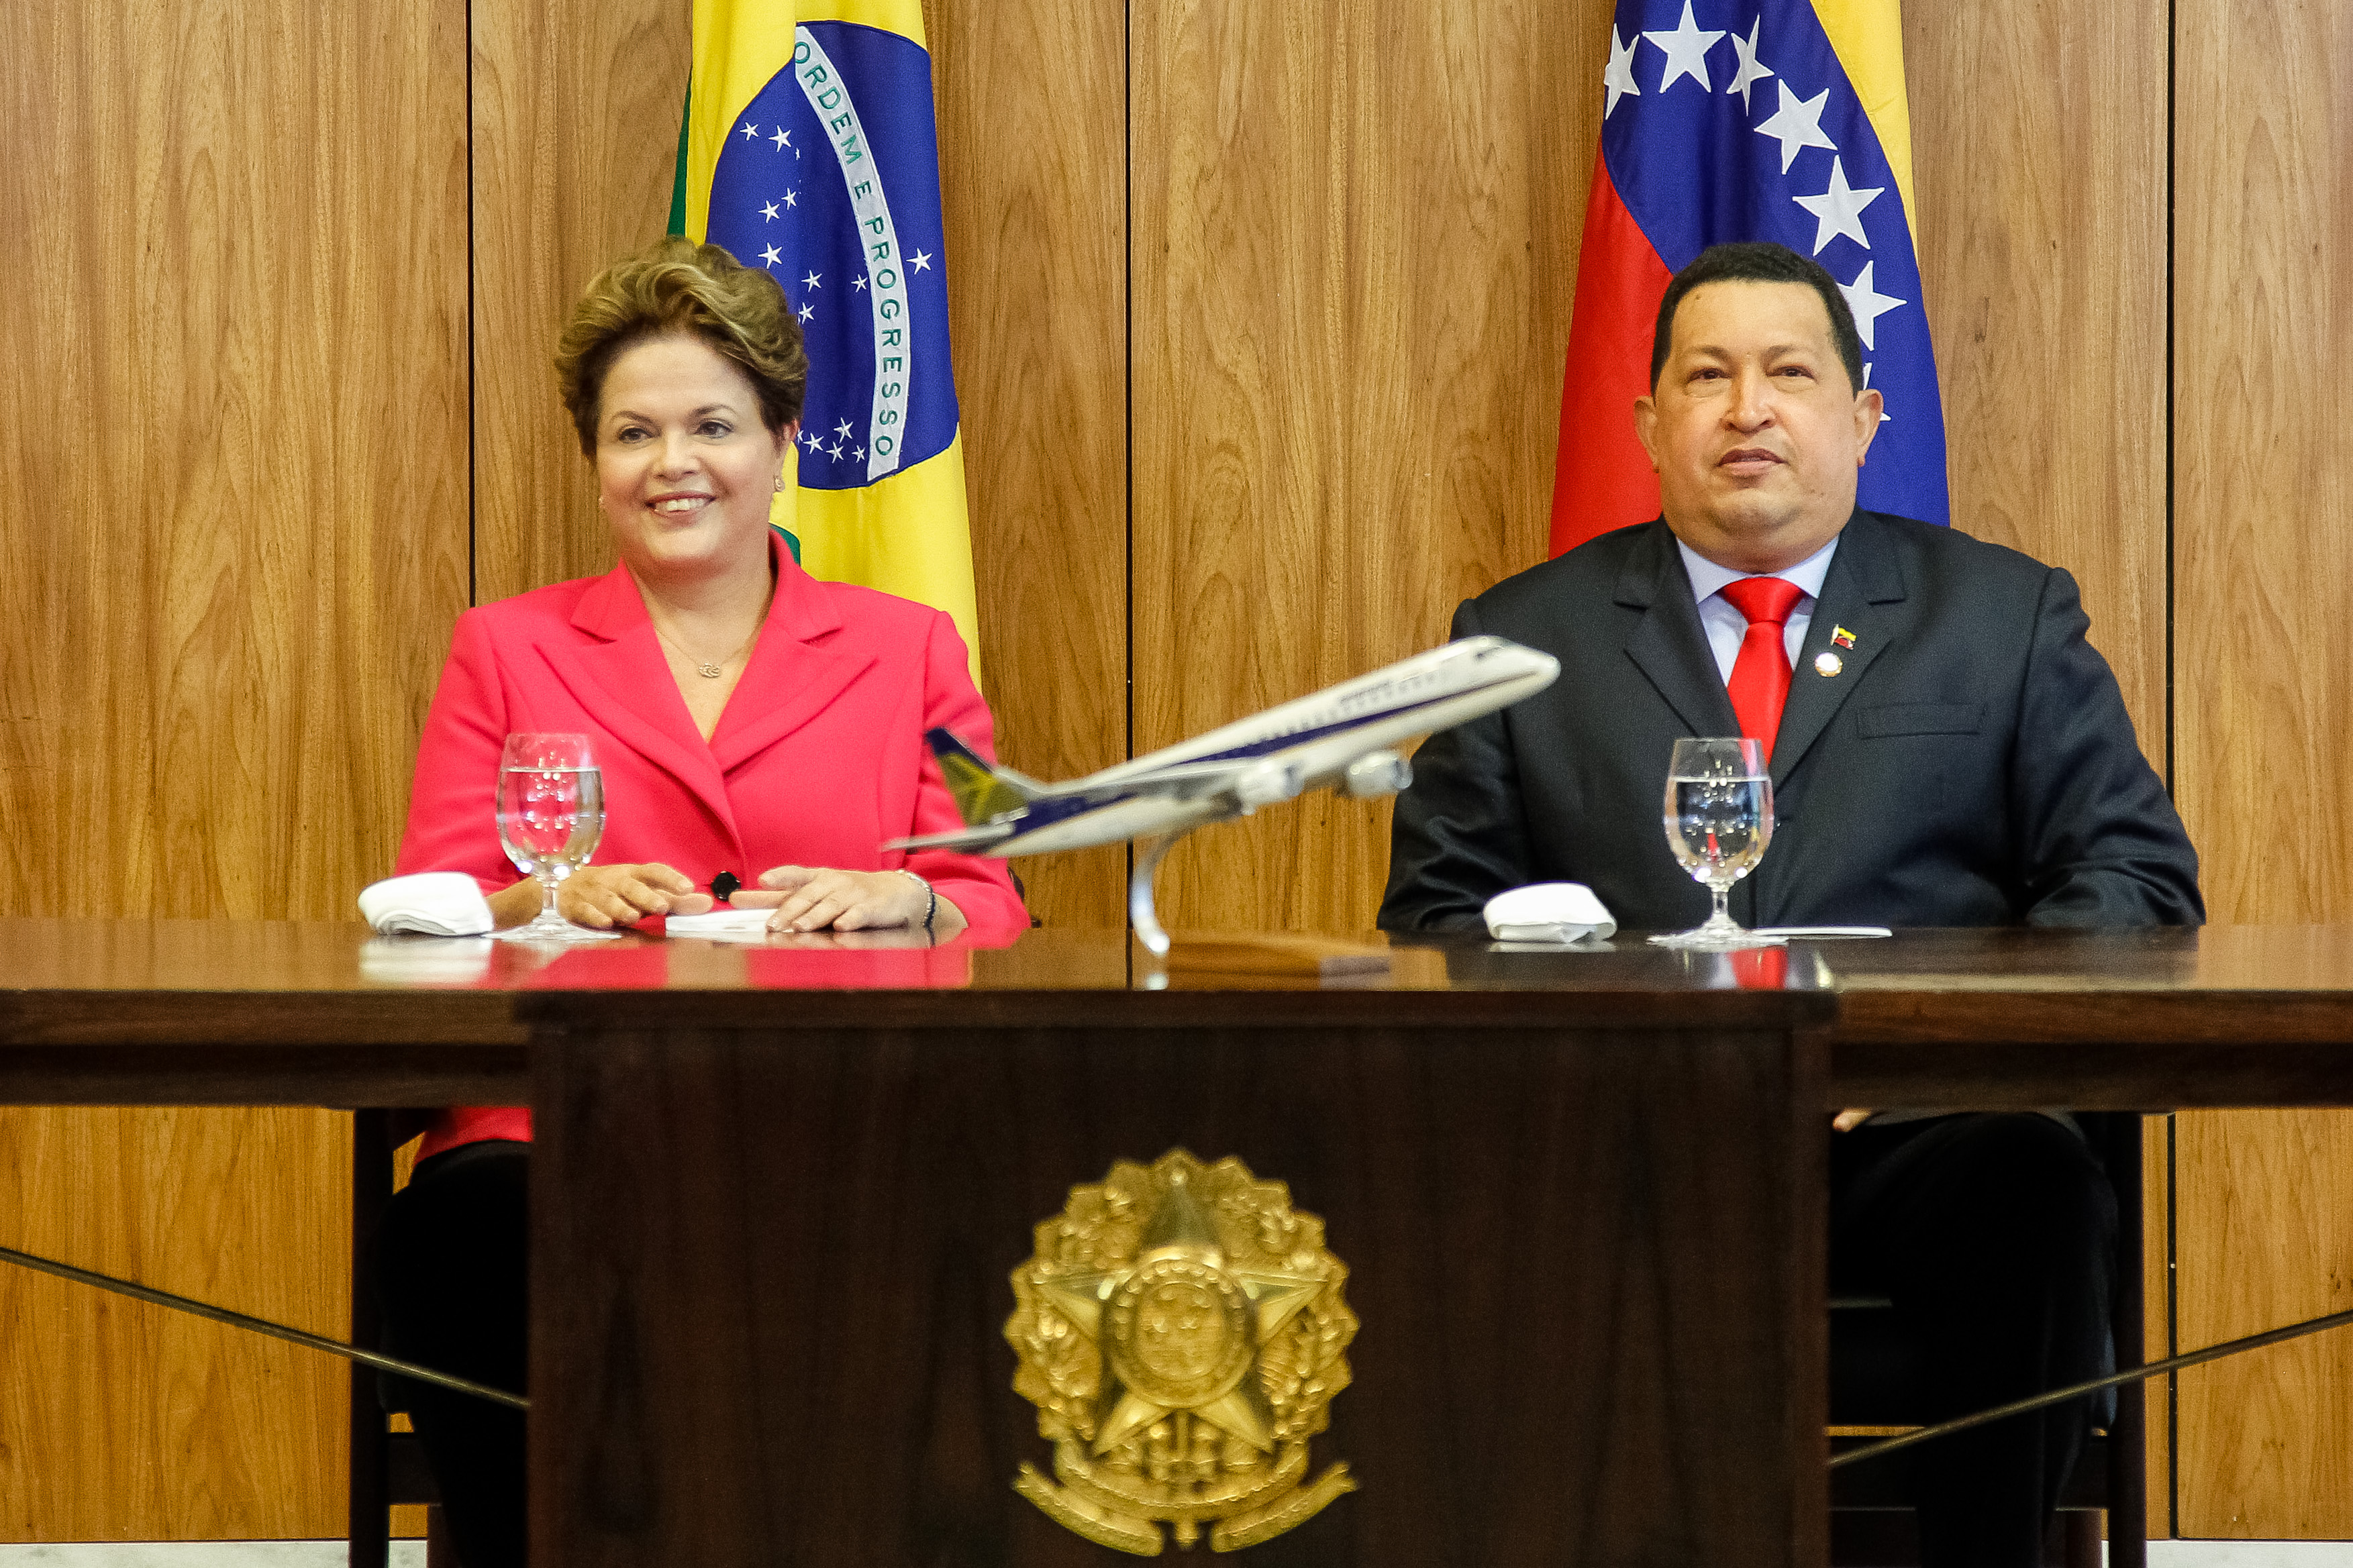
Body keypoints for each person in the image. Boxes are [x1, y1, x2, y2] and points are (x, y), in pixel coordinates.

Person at [1380, 240, 2201, 1566]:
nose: (1746, 406)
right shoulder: (1523, 637)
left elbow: (2135, 878)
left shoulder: (1999, 618)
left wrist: (1925, 1045)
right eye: (1705, 374)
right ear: (1648, 423)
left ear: (1863, 418)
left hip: (1912, 1128)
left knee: (2031, 1173)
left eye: (1787, 372)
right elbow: (1435, 917)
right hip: (1628, 1129)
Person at [377, 235, 1028, 1566]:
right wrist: (545, 893)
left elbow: (991, 900)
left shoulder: (907, 645)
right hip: (550, 1114)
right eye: (633, 432)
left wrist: (903, 898)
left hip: (835, 1108)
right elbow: (437, 897)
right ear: (595, 462)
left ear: (782, 440)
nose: (673, 461)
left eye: (712, 424)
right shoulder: (506, 643)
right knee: (460, 1228)